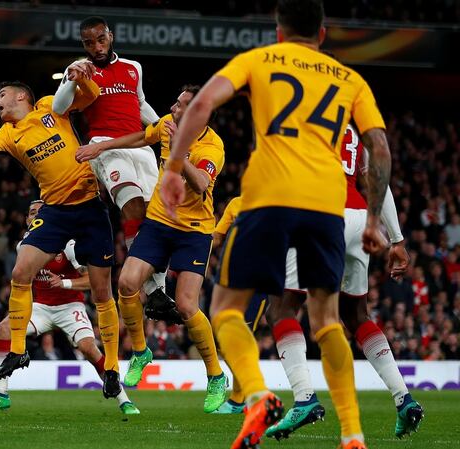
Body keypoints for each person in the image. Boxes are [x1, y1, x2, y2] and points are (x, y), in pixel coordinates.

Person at [160, 1, 391, 448]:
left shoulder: (260, 59)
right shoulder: (350, 80)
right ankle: (353, 434)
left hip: (268, 199)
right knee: (327, 320)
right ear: (322, 34)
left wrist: (172, 168)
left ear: (279, 31)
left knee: (226, 308)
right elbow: (378, 146)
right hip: (327, 206)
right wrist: (375, 218)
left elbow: (203, 102)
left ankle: (259, 394)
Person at [0, 73, 123, 399]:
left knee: (103, 292)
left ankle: (112, 367)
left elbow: (90, 97)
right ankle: (18, 350)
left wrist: (82, 79)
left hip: (89, 208)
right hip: (54, 211)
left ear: (20, 97)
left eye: (1, 95)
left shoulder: (49, 106)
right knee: (20, 272)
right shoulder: (7, 134)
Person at [264, 124, 423, 439]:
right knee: (356, 315)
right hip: (359, 218)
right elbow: (377, 181)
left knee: (282, 307)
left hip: (320, 215)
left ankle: (304, 397)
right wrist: (397, 239)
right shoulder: (351, 129)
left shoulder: (302, 118)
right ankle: (404, 399)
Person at [76, 85, 228, 412]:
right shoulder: (166, 126)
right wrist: (100, 149)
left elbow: (201, 184)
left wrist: (177, 151)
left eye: (182, 105)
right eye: (176, 101)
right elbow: (138, 137)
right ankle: (141, 351)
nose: (173, 108)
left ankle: (216, 375)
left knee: (187, 306)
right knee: (127, 284)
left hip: (194, 231)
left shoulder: (212, 146)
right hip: (159, 223)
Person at [52, 16, 180, 323]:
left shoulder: (133, 67)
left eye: (100, 39)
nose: (96, 47)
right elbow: (59, 108)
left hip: (141, 146)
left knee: (156, 218)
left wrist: (166, 125)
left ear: (111, 36)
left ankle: (157, 292)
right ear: (82, 44)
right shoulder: (81, 70)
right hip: (105, 147)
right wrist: (71, 77)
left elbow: (140, 104)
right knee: (132, 206)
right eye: (88, 42)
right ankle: (153, 289)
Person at [0, 201, 138, 414]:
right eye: (32, 213)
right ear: (26, 220)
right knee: (4, 329)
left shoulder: (67, 244)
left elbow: (94, 281)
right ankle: (0, 396)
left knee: (89, 348)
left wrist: (65, 283)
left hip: (70, 306)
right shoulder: (24, 245)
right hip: (40, 307)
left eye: (41, 212)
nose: (36, 216)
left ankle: (124, 399)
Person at [209, 196, 269, 415]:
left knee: (242, 337)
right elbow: (216, 236)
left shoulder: (273, 203)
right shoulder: (235, 204)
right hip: (233, 281)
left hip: (259, 281)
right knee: (226, 339)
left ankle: (240, 398)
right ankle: (248, 392)